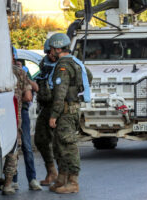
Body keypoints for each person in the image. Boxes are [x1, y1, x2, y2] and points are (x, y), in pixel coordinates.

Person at [48, 33, 92, 194]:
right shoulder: (75, 63)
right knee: (60, 146)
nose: (51, 52)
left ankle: (73, 181)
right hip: (72, 109)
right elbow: (90, 76)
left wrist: (54, 115)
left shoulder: (63, 67)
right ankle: (62, 178)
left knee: (68, 146)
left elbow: (60, 93)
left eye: (52, 49)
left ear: (58, 48)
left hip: (65, 112)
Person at [2, 46, 33, 195]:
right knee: (13, 150)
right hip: (14, 117)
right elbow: (29, 97)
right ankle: (8, 184)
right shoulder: (19, 72)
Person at [34, 39, 58, 186]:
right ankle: (51, 171)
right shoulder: (44, 63)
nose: (50, 54)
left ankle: (65, 175)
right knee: (40, 139)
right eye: (48, 52)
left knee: (61, 143)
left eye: (52, 51)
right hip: (45, 106)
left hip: (60, 106)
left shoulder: (67, 63)